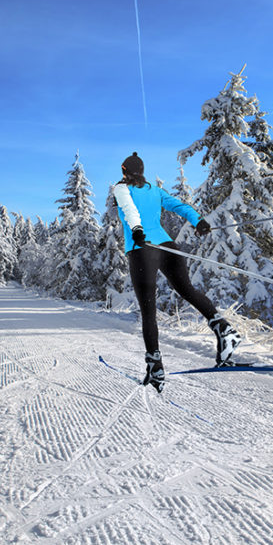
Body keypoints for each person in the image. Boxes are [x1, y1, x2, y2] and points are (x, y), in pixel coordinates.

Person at [113, 152, 241, 393]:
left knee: (148, 309)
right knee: (186, 289)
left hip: (143, 248)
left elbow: (130, 209)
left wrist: (137, 229)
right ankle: (223, 328)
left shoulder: (121, 189)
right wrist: (198, 220)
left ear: (124, 171)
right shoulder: (154, 190)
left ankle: (155, 366)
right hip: (167, 245)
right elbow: (177, 205)